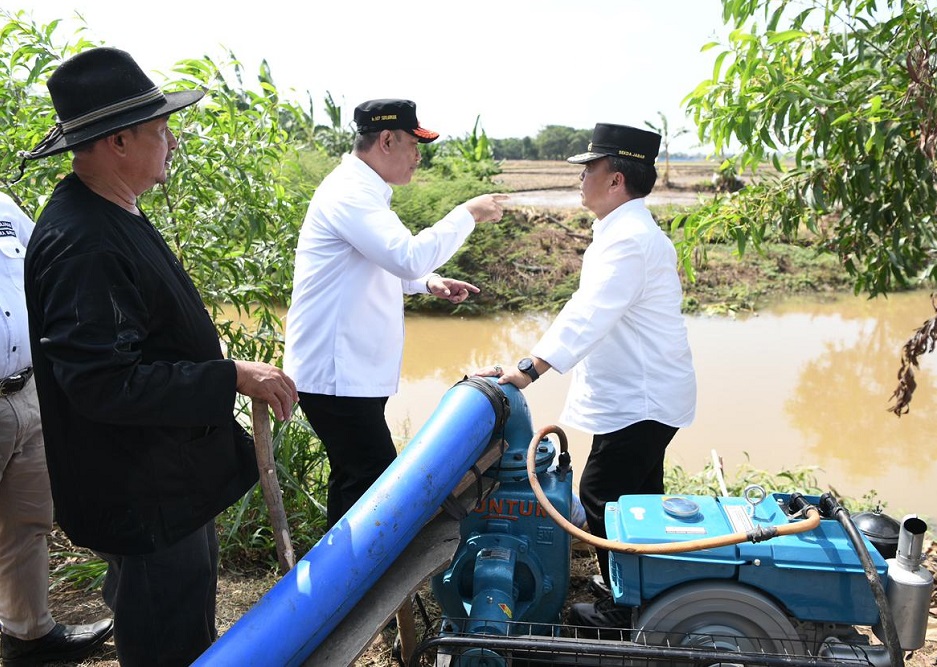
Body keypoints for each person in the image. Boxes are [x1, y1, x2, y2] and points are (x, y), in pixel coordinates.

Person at [19, 47, 298, 666]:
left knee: (178, 607)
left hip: (161, 477)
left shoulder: (112, 211)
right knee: (166, 634)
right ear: (118, 141)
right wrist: (229, 376)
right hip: (138, 490)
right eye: (160, 129)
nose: (172, 141)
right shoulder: (84, 242)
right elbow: (103, 383)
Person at [481, 123, 696, 629]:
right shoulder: (625, 232)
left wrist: (529, 369)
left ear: (616, 179)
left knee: (604, 500)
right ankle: (644, 595)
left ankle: (623, 613)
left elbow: (589, 314)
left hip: (641, 400)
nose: (580, 176)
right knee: (638, 502)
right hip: (643, 397)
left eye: (589, 167)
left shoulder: (629, 240)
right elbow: (587, 311)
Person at [283, 99, 506, 528]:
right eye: (413, 144)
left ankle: (339, 591)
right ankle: (348, 589)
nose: (418, 157)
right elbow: (405, 256)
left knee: (356, 483)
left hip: (347, 375)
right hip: (337, 376)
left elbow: (379, 265)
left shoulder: (363, 192)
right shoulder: (351, 193)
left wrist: (428, 282)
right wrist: (469, 213)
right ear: (386, 140)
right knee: (374, 486)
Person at [0, 193, 114, 666]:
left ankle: (29, 636)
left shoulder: (5, 207)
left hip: (26, 390)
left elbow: (48, 265)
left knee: (26, 522)